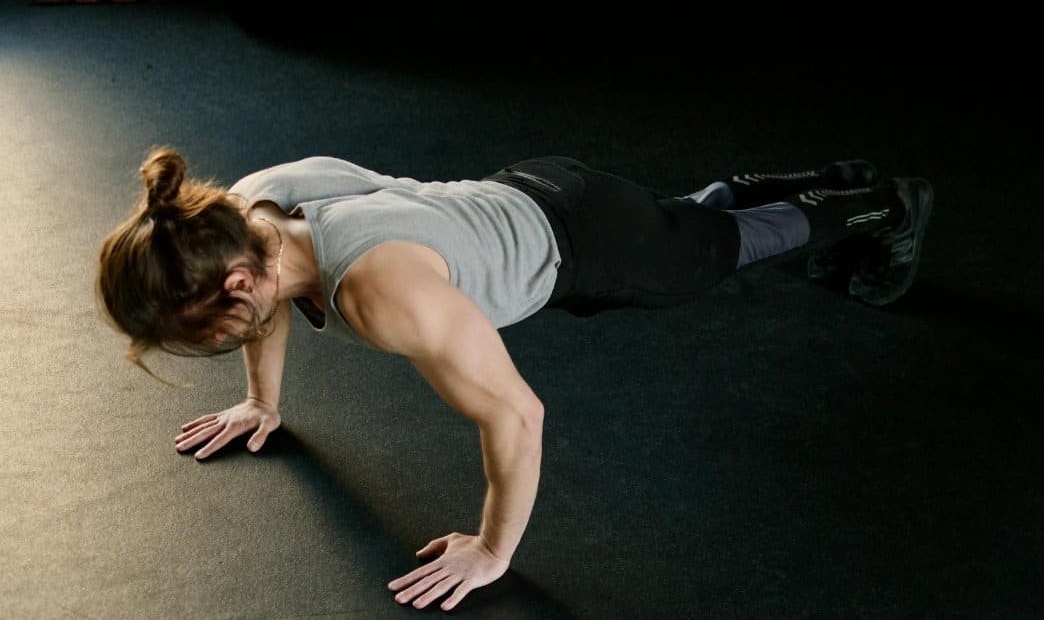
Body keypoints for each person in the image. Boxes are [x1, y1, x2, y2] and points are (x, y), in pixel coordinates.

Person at [96, 149, 932, 611]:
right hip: (537, 186)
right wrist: (261, 402)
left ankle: (886, 206)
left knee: (719, 249)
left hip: (590, 244)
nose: (204, 341)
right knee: (689, 220)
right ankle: (839, 182)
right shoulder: (252, 209)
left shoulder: (383, 294)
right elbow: (264, 308)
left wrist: (493, 549)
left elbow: (518, 415)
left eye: (196, 328)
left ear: (235, 280)